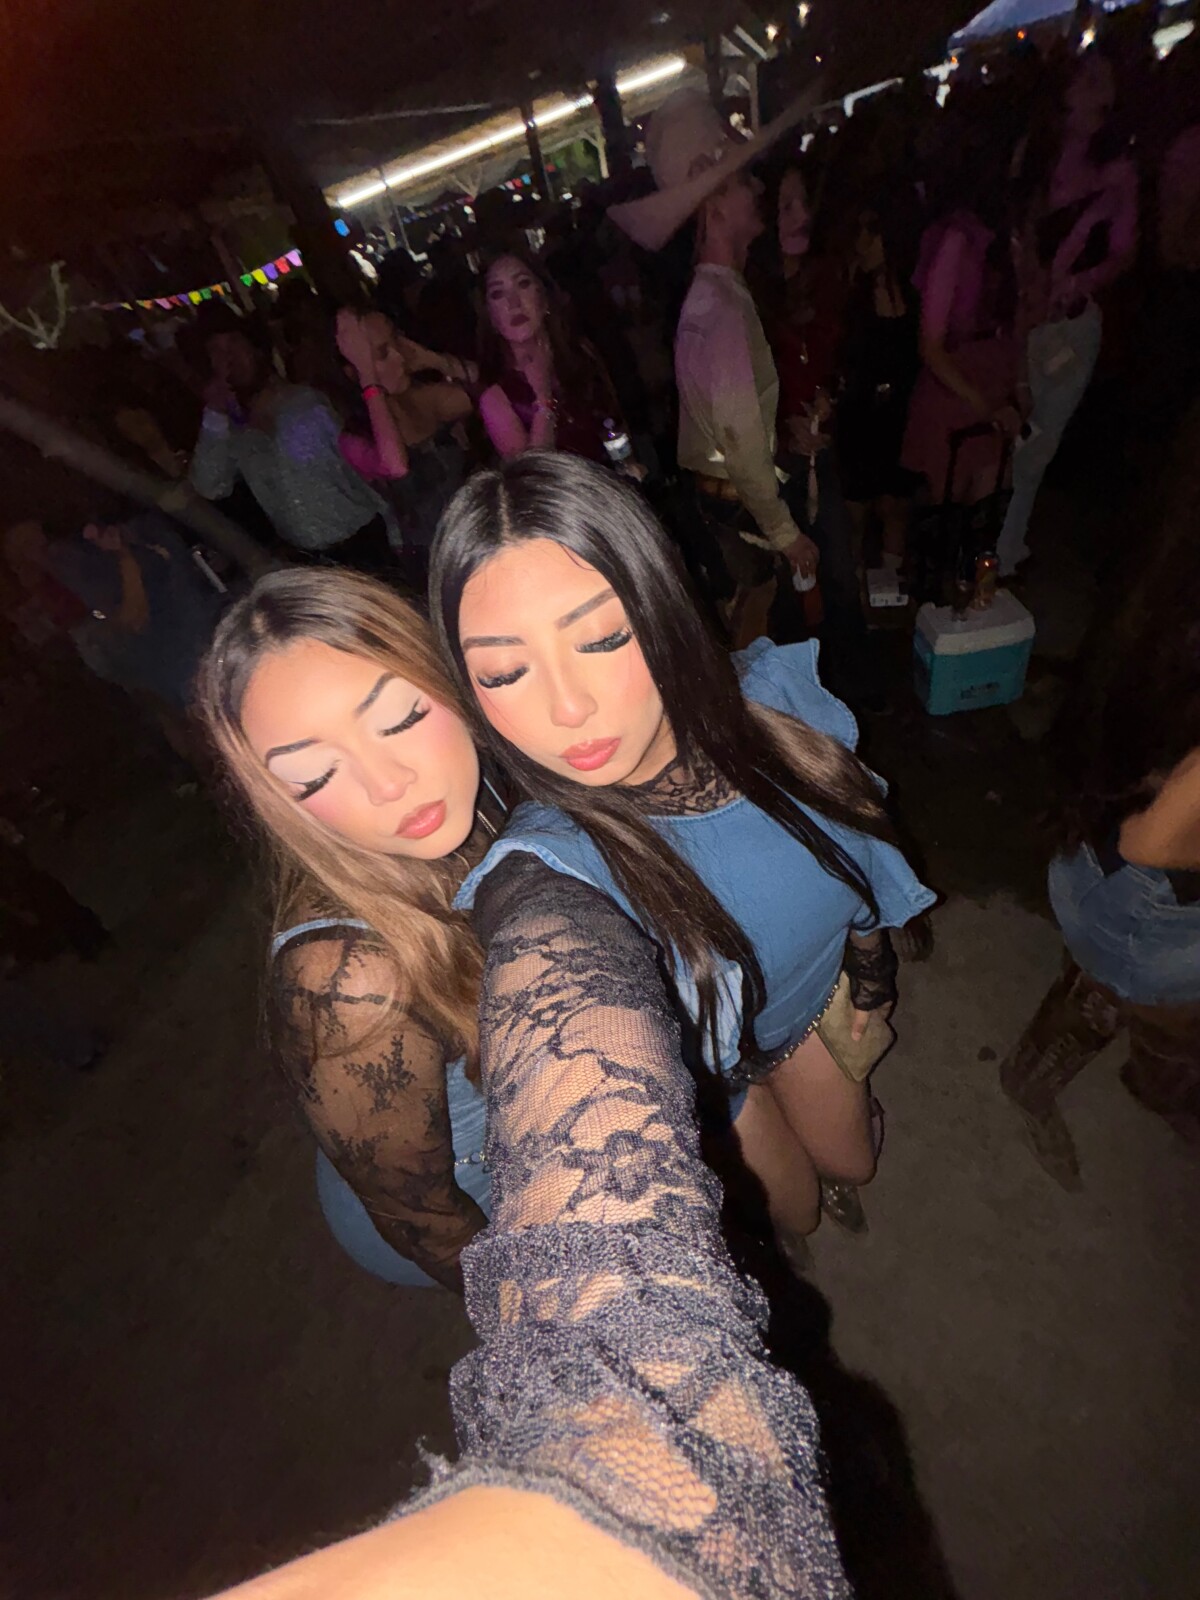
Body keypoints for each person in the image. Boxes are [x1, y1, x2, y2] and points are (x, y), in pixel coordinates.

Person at [432, 453, 935, 1252]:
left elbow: (861, 849)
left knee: (856, 1164)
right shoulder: (551, 866)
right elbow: (549, 985)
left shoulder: (777, 702)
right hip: (715, 1082)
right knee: (798, 1213)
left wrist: (870, 970)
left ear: (661, 605)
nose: (567, 707)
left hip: (807, 1008)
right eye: (504, 671)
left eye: (601, 639)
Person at [195, 569, 505, 1291]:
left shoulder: (491, 782)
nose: (387, 783)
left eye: (399, 719)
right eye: (314, 776)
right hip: (474, 1199)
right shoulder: (347, 981)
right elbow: (424, 1222)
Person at [999, 525, 1200, 1188]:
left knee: (1143, 1007)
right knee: (1150, 1011)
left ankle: (1142, 1063)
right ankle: (1031, 1084)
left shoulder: (1166, 599)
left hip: (1107, 846)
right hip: (1140, 892)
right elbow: (1150, 840)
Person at [621, 91, 818, 650]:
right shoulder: (720, 307)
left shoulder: (713, 295)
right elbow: (737, 436)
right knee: (762, 647)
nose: (758, 189)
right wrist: (786, 533)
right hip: (741, 513)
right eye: (743, 179)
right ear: (715, 203)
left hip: (725, 504)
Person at [996, 50, 1139, 577]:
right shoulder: (1036, 154)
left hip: (1071, 325)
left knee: (1038, 442)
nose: (1097, 92)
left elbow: (1124, 252)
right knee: (1010, 429)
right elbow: (1012, 226)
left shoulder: (1116, 171)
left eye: (1102, 82)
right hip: (1020, 318)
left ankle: (1004, 551)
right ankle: (997, 543)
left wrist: (1078, 280)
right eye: (1087, 80)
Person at [188, 304, 395, 571]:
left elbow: (367, 469)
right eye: (216, 351)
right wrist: (214, 412)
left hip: (364, 544)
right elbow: (209, 486)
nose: (228, 358)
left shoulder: (307, 402)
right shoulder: (232, 433)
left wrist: (395, 532)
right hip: (310, 563)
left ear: (256, 349)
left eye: (234, 343)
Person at [900, 119, 1023, 513]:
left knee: (990, 514)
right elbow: (931, 345)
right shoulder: (956, 239)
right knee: (961, 520)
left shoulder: (1003, 237)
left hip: (992, 386)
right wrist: (983, 403)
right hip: (957, 393)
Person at [334, 306, 475, 597]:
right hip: (434, 563)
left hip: (478, 533)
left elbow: (493, 390)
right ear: (354, 371)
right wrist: (369, 378)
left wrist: (433, 360)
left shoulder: (423, 397)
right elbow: (396, 466)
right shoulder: (355, 438)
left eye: (396, 342)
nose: (399, 357)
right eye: (383, 353)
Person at [476, 249, 630, 468]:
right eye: (498, 293)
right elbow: (533, 476)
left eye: (523, 284)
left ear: (544, 297)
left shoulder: (579, 355)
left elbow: (614, 425)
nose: (514, 302)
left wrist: (627, 464)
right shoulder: (495, 398)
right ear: (491, 316)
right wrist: (543, 398)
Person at [836, 194, 922, 573]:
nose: (864, 241)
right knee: (854, 516)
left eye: (872, 232)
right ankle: (853, 594)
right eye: (860, 231)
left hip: (897, 418)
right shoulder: (851, 290)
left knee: (895, 508)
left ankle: (890, 590)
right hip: (859, 418)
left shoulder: (912, 291)